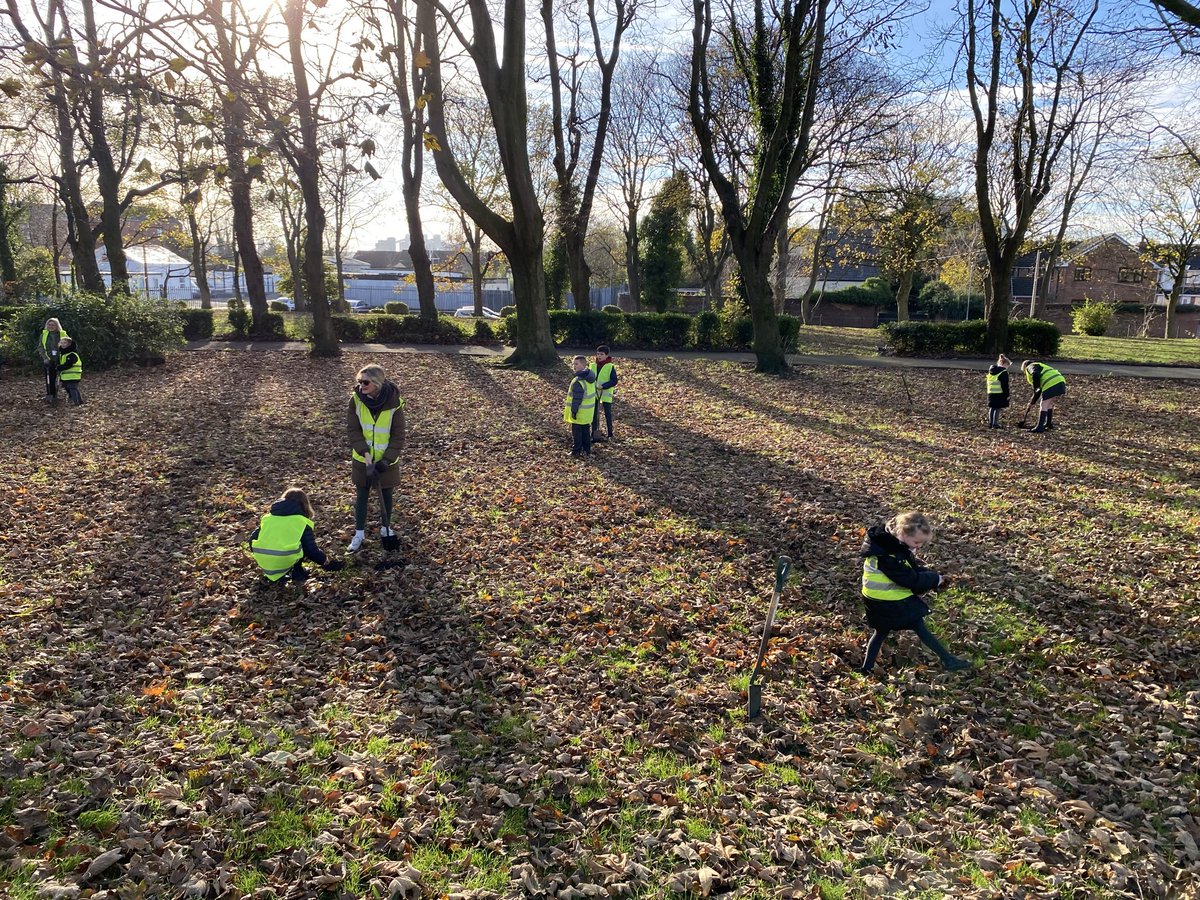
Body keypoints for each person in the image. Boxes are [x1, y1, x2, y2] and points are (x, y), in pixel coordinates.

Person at [859, 511, 971, 675]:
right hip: (889, 601)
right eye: (917, 542)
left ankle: (866, 669)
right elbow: (910, 580)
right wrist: (934, 579)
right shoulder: (888, 555)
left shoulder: (889, 545)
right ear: (902, 533)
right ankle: (948, 660)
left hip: (876, 599)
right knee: (918, 625)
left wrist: (934, 578)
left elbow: (912, 570)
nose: (918, 546)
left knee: (881, 632)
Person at [346, 364, 406, 551]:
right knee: (362, 494)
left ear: (377, 383)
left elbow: (398, 435)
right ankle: (359, 534)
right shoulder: (356, 401)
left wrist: (386, 460)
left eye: (365, 382)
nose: (361, 386)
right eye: (359, 382)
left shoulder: (394, 404)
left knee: (386, 494)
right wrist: (364, 451)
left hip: (386, 461)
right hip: (363, 459)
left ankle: (386, 529)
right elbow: (353, 429)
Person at [249, 488, 343, 583]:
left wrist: (260, 555)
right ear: (305, 505)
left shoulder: (268, 518)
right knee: (299, 544)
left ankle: (279, 571)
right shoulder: (301, 522)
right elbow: (310, 550)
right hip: (284, 557)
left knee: (288, 543)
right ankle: (297, 573)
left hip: (263, 559)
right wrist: (325, 561)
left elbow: (252, 538)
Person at [563, 355, 597, 458]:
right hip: (588, 413)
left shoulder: (579, 381)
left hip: (579, 413)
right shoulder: (590, 377)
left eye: (576, 364)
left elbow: (577, 399)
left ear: (583, 364)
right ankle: (587, 451)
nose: (574, 366)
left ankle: (576, 451)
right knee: (586, 432)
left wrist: (574, 411)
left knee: (577, 433)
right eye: (573, 364)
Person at [1021, 360, 1067, 434]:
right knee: (1049, 403)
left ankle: (1039, 427)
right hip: (1060, 381)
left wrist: (1036, 387)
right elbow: (1038, 391)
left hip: (1051, 383)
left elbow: (1035, 375)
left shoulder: (1030, 367)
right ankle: (1048, 424)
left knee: (1043, 404)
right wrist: (1032, 402)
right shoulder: (1040, 366)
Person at [589, 345, 619, 442]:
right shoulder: (592, 365)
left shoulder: (610, 367)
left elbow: (614, 381)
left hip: (605, 394)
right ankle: (594, 433)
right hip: (594, 393)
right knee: (594, 414)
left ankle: (610, 434)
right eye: (598, 354)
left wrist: (604, 386)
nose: (599, 356)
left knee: (607, 414)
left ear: (606, 355)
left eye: (601, 354)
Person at [38, 318, 68, 402]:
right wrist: (45, 358)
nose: (51, 326)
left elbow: (68, 345)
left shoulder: (62, 334)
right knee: (49, 378)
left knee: (64, 378)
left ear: (57, 325)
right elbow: (40, 347)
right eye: (49, 325)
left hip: (60, 359)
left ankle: (70, 395)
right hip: (48, 359)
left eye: (53, 325)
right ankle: (51, 394)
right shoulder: (44, 335)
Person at [57, 337, 84, 407]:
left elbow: (68, 365)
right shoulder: (63, 354)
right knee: (72, 388)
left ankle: (75, 402)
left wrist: (59, 367)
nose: (63, 344)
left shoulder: (72, 354)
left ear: (69, 344)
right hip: (66, 376)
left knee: (72, 388)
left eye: (65, 343)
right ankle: (80, 401)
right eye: (61, 343)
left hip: (73, 375)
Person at [985, 353, 1010, 428]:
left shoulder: (991, 371)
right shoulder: (1003, 372)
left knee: (992, 407)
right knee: (997, 408)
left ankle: (990, 423)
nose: (1007, 368)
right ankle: (995, 424)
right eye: (1007, 366)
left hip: (991, 392)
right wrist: (1007, 395)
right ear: (1005, 364)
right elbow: (1004, 385)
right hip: (999, 392)